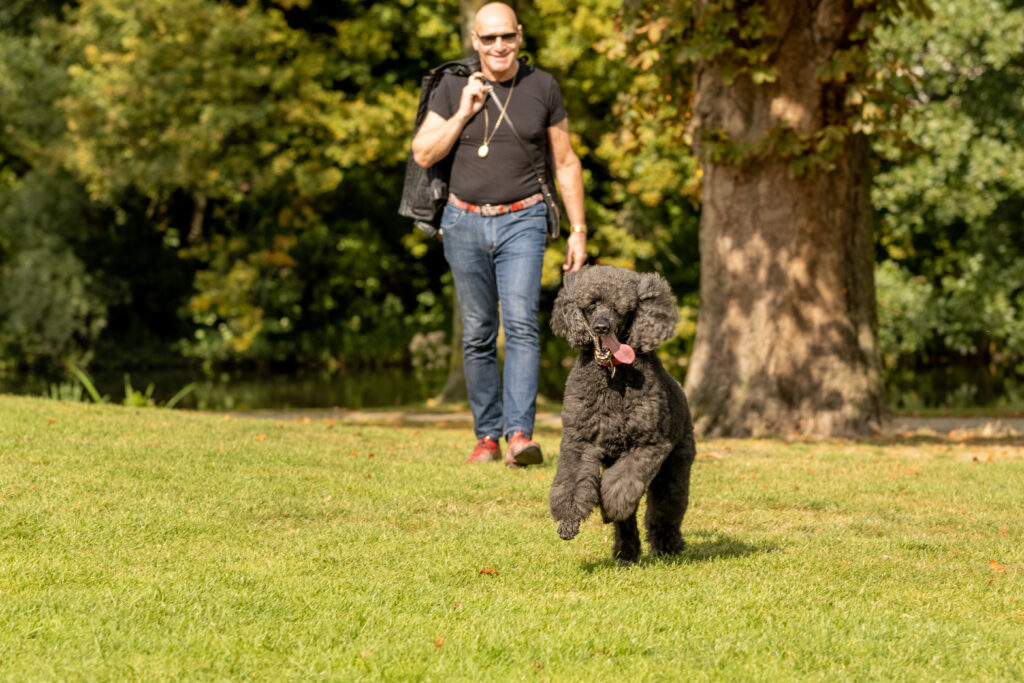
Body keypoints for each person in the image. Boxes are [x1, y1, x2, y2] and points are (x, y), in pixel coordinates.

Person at [411, 2, 587, 467]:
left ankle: (518, 437)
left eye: (506, 36)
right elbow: (424, 153)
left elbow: (566, 161)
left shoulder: (542, 86)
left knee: (524, 326)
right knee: (477, 333)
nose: (499, 46)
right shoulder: (452, 86)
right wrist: (464, 112)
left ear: (520, 35)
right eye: (489, 39)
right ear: (475, 42)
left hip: (523, 219)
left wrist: (578, 229)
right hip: (463, 221)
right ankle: (486, 437)